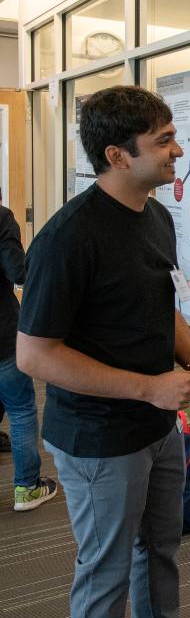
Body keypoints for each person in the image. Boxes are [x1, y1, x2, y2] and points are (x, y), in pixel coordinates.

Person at [17, 85, 190, 618]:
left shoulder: (157, 217)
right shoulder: (68, 238)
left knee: (161, 552)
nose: (177, 151)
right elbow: (35, 354)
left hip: (159, 429)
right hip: (98, 438)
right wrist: (149, 388)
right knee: (106, 573)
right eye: (163, 140)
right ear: (118, 156)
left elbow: (161, 306)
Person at [1, 204, 57, 511]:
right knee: (22, 410)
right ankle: (27, 487)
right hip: (2, 335)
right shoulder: (1, 218)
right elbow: (17, 270)